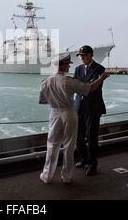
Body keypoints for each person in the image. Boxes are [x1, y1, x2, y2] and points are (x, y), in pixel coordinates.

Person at [39, 52, 108, 184]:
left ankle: (47, 175)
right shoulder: (69, 81)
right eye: (67, 64)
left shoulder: (45, 82)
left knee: (52, 145)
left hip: (54, 113)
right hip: (69, 114)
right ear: (62, 65)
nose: (70, 67)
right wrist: (101, 79)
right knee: (69, 146)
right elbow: (90, 88)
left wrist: (56, 100)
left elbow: (43, 100)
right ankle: (67, 176)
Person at [74, 45, 107, 176]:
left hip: (93, 108)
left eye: (84, 55)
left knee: (92, 138)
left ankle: (93, 165)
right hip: (80, 107)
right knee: (78, 136)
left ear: (91, 55)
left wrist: (83, 87)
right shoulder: (78, 69)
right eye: (80, 56)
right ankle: (84, 159)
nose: (81, 58)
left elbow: (92, 87)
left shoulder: (99, 68)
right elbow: (78, 86)